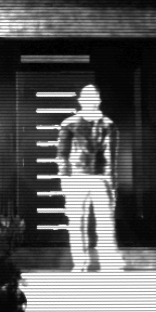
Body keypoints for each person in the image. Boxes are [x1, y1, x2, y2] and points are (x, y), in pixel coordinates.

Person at [57, 84, 119, 272]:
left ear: (99, 100)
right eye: (86, 96)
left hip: (101, 178)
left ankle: (108, 263)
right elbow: (62, 155)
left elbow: (112, 157)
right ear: (80, 100)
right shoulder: (69, 124)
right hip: (77, 177)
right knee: (76, 222)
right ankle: (80, 263)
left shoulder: (109, 125)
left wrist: (112, 183)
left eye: (93, 96)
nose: (90, 99)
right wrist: (65, 180)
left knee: (105, 222)